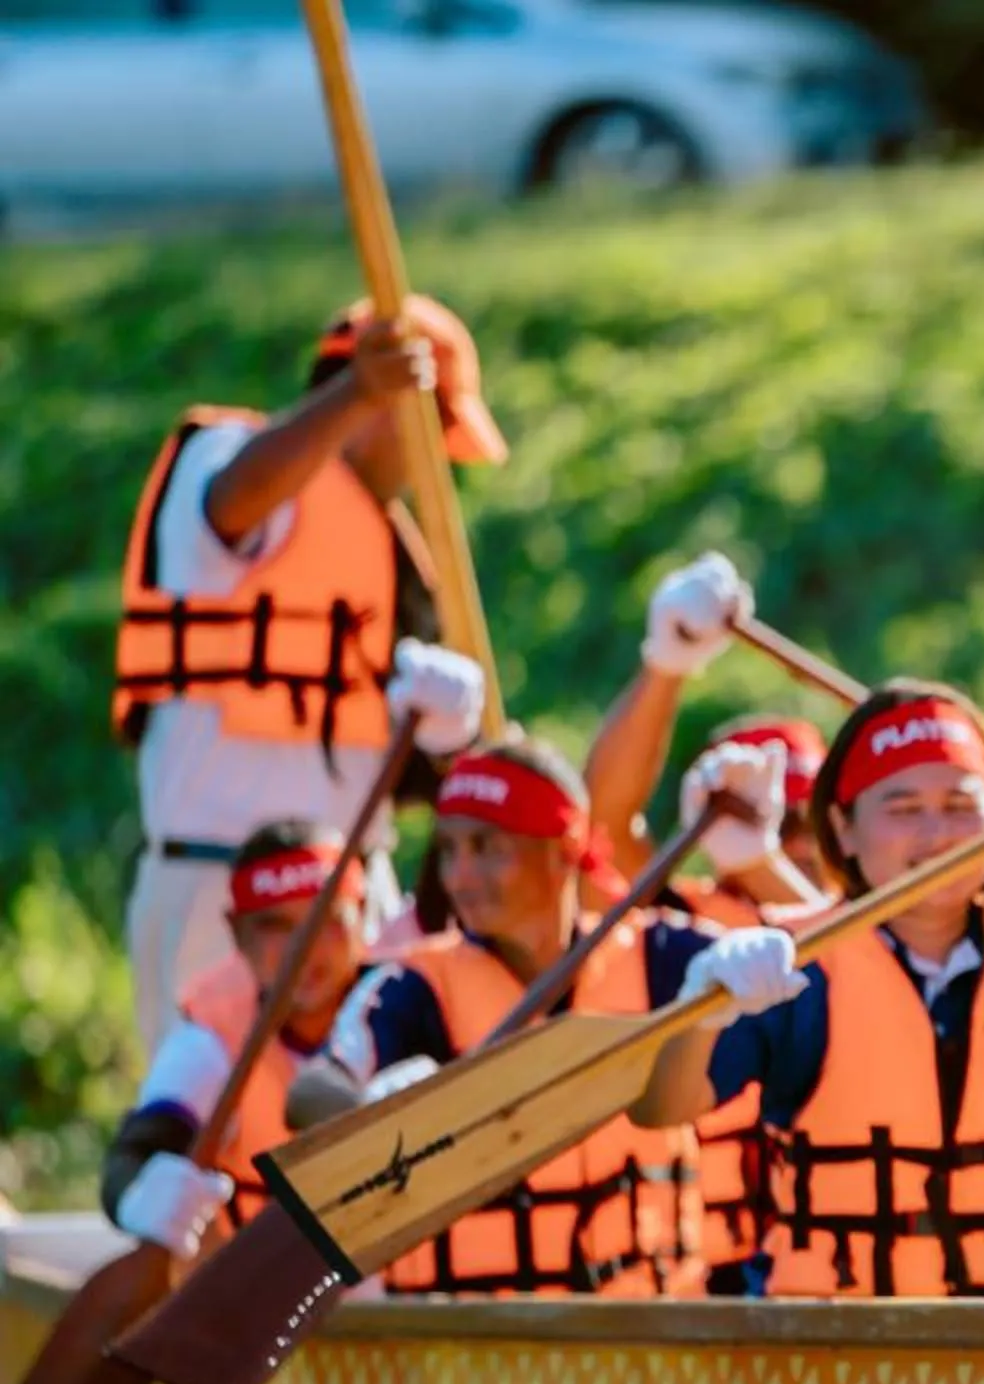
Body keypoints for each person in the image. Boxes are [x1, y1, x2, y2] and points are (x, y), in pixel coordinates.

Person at [114, 295, 502, 1051]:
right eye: (436, 436)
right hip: (220, 892)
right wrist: (361, 389)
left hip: (356, 891)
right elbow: (232, 502)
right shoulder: (231, 463)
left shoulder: (383, 545)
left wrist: (453, 733)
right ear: (397, 410)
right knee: (206, 1133)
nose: (434, 472)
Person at [627, 683, 984, 1299]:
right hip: (839, 1329)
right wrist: (699, 1009)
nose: (937, 833)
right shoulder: (795, 964)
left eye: (959, 803)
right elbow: (661, 1108)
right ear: (843, 829)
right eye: (902, 808)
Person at [325, 738, 795, 1295]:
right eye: (448, 850)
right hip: (465, 1338)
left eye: (488, 847)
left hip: (652, 1333)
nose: (461, 875)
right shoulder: (415, 985)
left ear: (563, 850)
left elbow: (831, 966)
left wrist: (760, 866)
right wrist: (373, 1104)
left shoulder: (667, 956)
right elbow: (313, 1091)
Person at [100, 822, 369, 1261]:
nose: (304, 947)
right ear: (236, 932)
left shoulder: (415, 1005)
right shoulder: (209, 1041)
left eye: (327, 920)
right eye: (275, 925)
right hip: (259, 1310)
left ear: (363, 913)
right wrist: (141, 1199)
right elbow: (132, 1157)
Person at [579, 552, 832, 925]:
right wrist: (667, 664)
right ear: (708, 829)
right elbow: (600, 829)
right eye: (776, 826)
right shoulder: (680, 926)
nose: (800, 845)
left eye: (812, 823)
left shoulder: (905, 925)